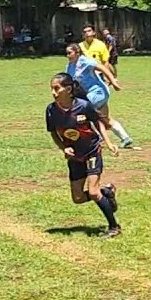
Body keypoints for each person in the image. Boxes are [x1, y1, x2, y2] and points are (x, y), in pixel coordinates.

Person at [47, 73, 120, 238]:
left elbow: (98, 123)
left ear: (68, 89)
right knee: (78, 198)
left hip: (92, 151)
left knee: (93, 192)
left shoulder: (84, 106)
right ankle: (107, 192)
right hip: (75, 157)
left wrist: (109, 143)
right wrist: (63, 148)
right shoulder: (51, 110)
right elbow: (53, 133)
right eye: (51, 89)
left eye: (56, 88)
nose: (53, 92)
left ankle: (114, 227)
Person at [65, 43, 133, 148]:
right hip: (89, 95)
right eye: (67, 53)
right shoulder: (70, 66)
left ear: (77, 53)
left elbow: (102, 68)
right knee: (105, 119)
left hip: (98, 92)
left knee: (83, 111)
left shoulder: (85, 61)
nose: (67, 55)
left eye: (70, 53)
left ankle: (96, 137)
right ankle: (125, 138)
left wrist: (113, 82)